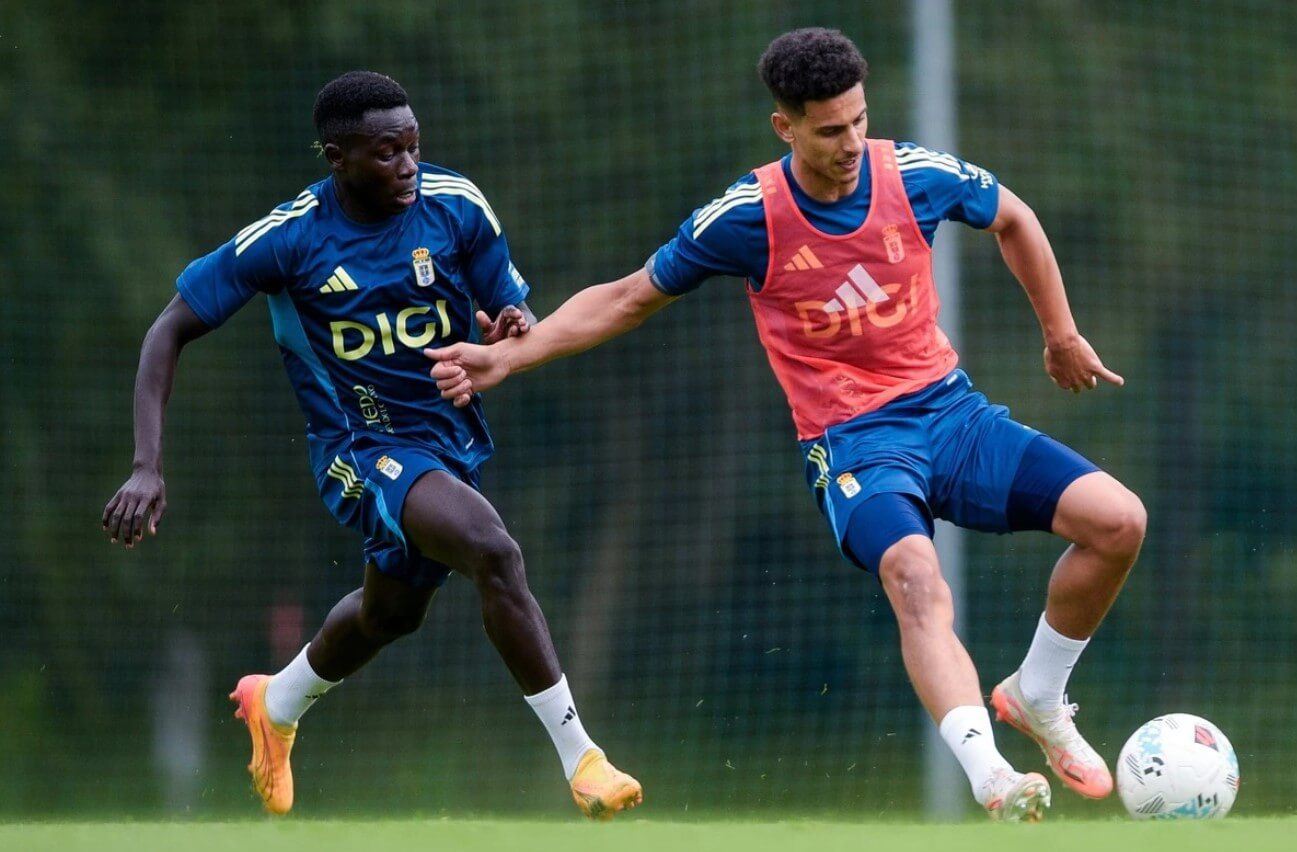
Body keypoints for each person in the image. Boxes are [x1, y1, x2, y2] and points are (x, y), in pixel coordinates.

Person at [425, 29, 1146, 822]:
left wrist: (1059, 332)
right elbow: (631, 295)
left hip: (953, 414)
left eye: (859, 121)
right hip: (854, 441)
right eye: (830, 129)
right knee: (914, 575)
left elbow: (1013, 217)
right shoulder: (747, 217)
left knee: (1117, 521)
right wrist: (506, 362)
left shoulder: (913, 174)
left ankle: (1038, 694)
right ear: (785, 127)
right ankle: (992, 779)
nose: (850, 143)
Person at [101, 70, 641, 820]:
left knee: (391, 614)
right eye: (387, 153)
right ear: (337, 157)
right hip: (359, 447)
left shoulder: (454, 205)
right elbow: (168, 329)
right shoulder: (289, 238)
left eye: (413, 147)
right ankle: (582, 759)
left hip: (447, 440)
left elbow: (508, 303)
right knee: (493, 549)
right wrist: (145, 465)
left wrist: (514, 321)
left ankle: (277, 702)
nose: (407, 166)